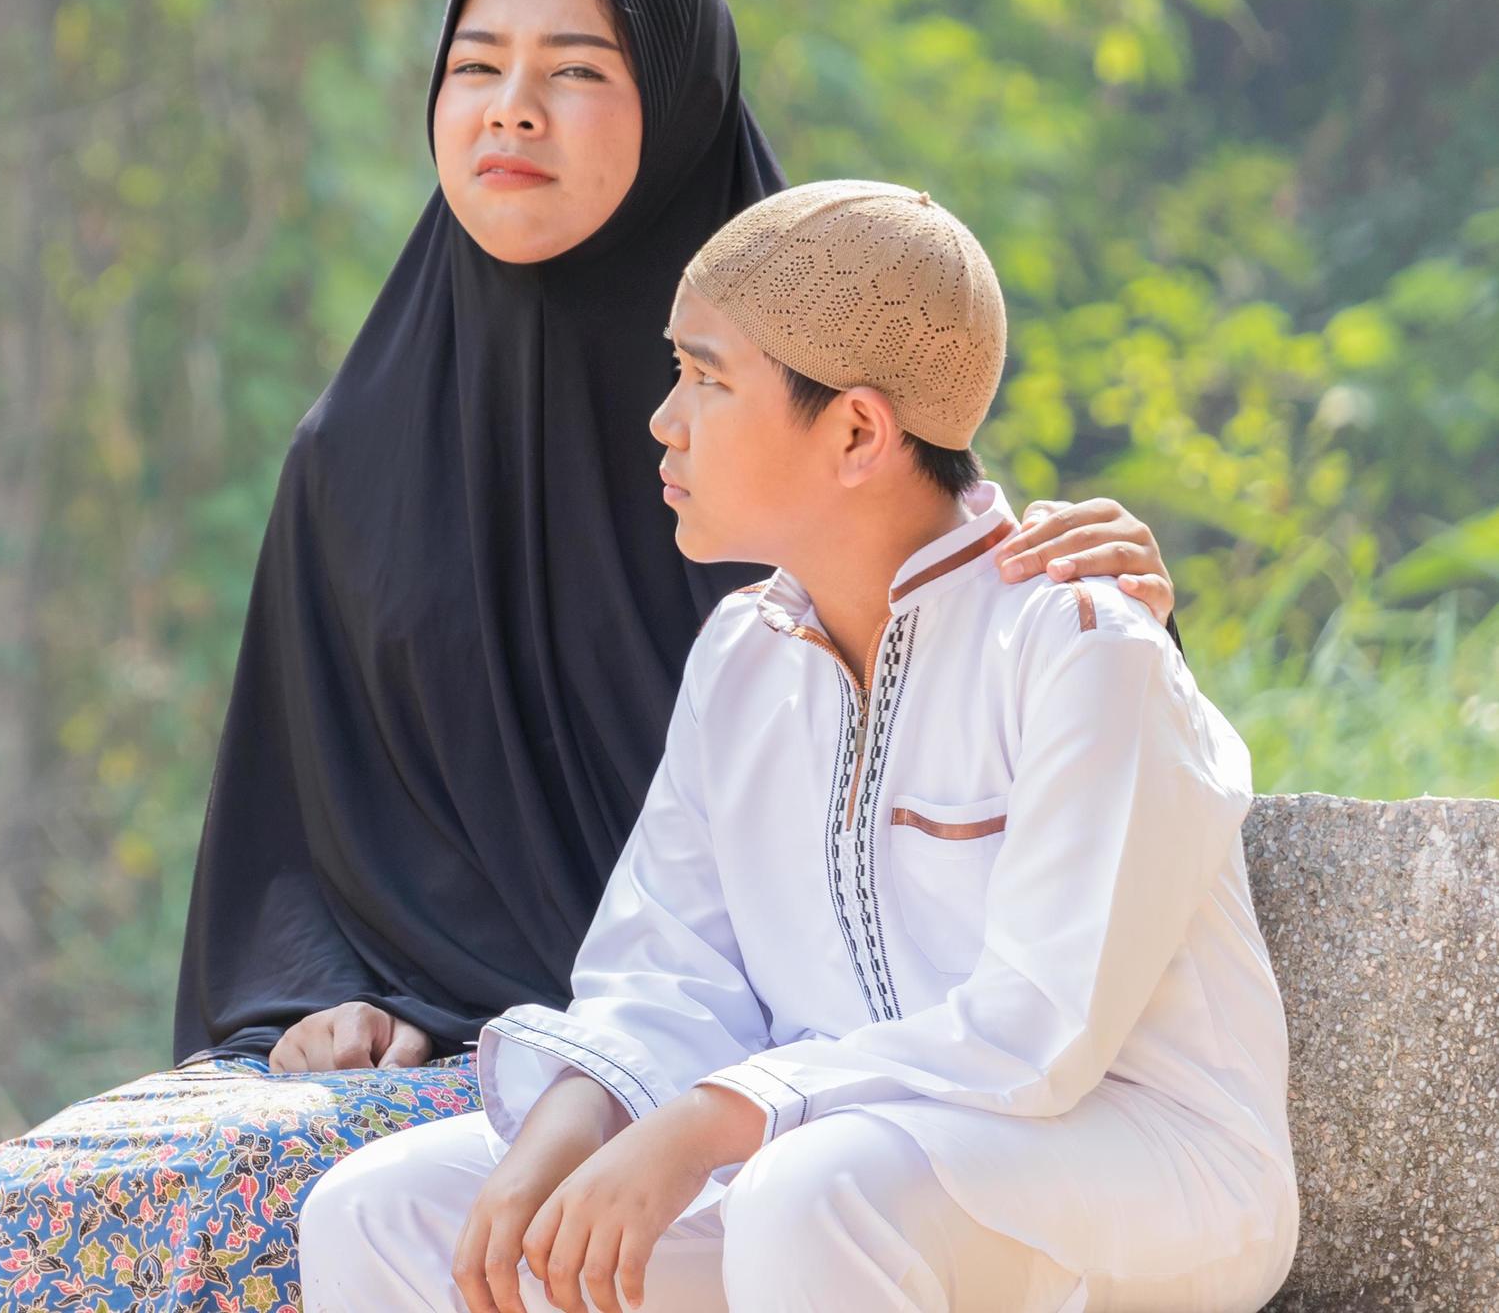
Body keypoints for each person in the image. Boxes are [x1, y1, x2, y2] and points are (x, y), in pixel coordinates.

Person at [0, 0, 1184, 1313]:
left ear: (677, 100)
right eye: (473, 66)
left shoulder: (814, 418)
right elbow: (300, 824)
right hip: (523, 1049)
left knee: (258, 1213)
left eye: (576, 71)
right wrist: (321, 997)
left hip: (809, 1085)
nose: (509, 112)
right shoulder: (353, 455)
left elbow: (999, 728)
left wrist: (1121, 597)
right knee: (65, 1203)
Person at [299, 180, 1297, 1313]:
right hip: (822, 1153)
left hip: (1142, 1165)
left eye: (707, 378)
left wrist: (714, 1117)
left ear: (859, 430)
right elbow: (665, 969)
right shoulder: (741, 655)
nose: (663, 419)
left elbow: (1036, 1029)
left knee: (808, 1193)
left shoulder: (1076, 643)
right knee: (387, 1212)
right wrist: (565, 1126)